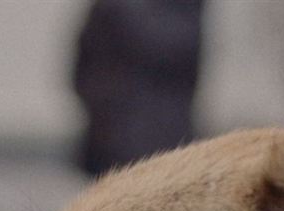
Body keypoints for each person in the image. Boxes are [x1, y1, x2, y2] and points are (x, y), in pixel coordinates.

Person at [72, 0, 207, 178]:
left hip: (122, 137)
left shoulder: (114, 9)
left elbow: (83, 72)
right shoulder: (186, 13)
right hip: (148, 139)